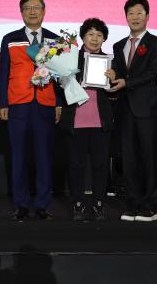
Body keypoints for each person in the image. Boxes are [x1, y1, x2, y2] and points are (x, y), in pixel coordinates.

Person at [0, 0, 62, 221]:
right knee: (18, 156)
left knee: (44, 156)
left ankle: (42, 205)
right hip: (18, 104)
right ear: (21, 12)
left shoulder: (55, 40)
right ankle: (21, 205)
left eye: (36, 7)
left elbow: (61, 75)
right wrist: (3, 102)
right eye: (27, 8)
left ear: (44, 11)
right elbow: (3, 72)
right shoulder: (10, 39)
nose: (32, 12)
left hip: (45, 103)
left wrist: (59, 102)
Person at [105, 0, 157, 222]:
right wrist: (112, 75)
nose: (135, 17)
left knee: (150, 158)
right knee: (129, 160)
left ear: (147, 16)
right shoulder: (118, 45)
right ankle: (132, 204)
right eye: (131, 13)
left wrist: (126, 82)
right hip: (125, 110)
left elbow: (154, 73)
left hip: (148, 110)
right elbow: (119, 71)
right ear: (126, 17)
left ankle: (150, 206)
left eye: (139, 13)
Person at [59, 18, 115, 221]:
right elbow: (59, 87)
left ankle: (99, 204)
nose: (95, 38)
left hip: (101, 122)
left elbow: (115, 93)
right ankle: (78, 204)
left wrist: (113, 80)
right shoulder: (69, 59)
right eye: (90, 34)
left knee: (100, 166)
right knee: (76, 166)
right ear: (83, 37)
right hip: (76, 121)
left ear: (104, 39)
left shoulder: (110, 62)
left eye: (99, 35)